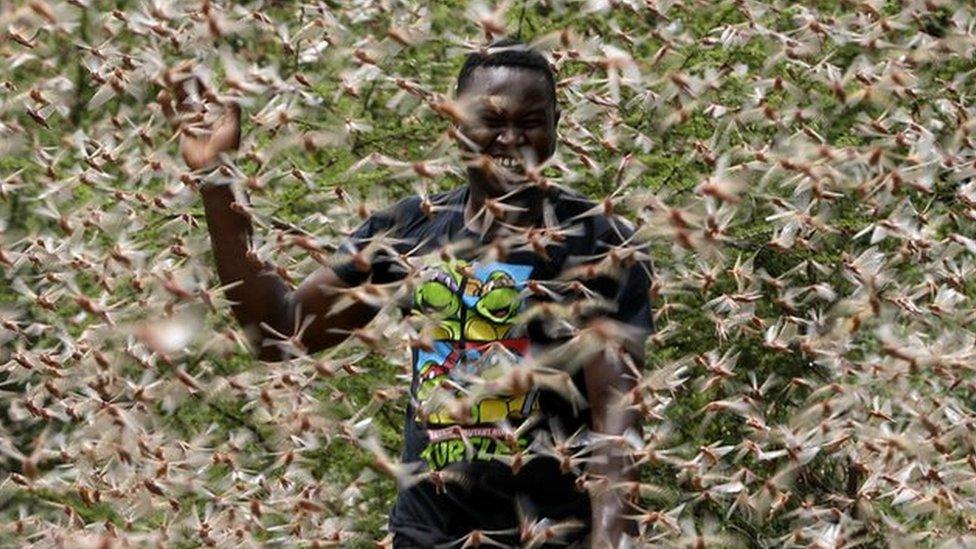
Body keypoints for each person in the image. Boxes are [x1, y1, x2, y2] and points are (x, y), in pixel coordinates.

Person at [159, 39, 653, 547]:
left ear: (554, 126)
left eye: (531, 121)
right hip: (427, 535)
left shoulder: (600, 243)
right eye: (492, 119)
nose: (511, 138)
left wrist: (615, 540)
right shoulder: (409, 230)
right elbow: (279, 333)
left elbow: (614, 419)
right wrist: (216, 181)